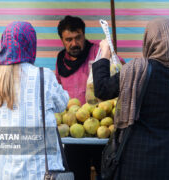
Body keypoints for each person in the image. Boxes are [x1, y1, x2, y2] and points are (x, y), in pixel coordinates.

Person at [0, 21, 69, 179]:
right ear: (31, 43)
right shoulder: (44, 76)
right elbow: (62, 104)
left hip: (3, 171)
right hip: (40, 171)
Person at [92, 18, 169, 180]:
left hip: (137, 158)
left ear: (149, 40)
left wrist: (105, 55)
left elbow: (102, 90)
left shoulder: (137, 69)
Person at [56, 15, 124, 180]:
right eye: (68, 39)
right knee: (77, 174)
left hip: (102, 127)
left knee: (106, 174)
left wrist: (108, 56)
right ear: (62, 40)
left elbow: (121, 71)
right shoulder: (60, 61)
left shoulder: (98, 52)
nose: (74, 43)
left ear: (84, 35)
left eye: (78, 37)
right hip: (75, 131)